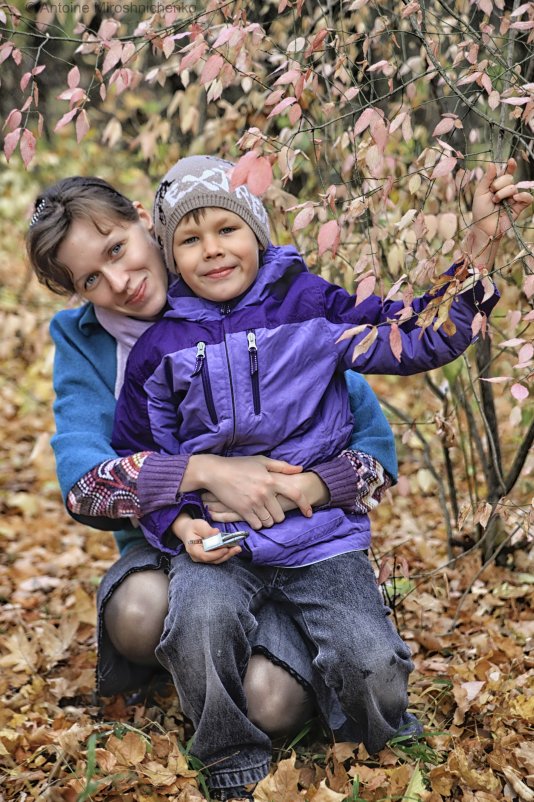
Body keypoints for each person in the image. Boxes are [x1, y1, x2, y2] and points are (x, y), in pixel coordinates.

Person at [109, 155, 528, 800]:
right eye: (189, 240)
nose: (212, 251)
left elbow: (413, 334)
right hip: (221, 540)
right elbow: (145, 458)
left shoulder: (309, 304)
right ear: (168, 252)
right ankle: (227, 751)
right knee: (196, 626)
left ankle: (375, 734)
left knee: (370, 658)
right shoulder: (158, 349)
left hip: (320, 533)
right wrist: (181, 523)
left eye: (228, 229)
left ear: (258, 230)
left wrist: (475, 247)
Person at [26, 176, 400, 743]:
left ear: (142, 219)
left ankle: (294, 653)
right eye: (92, 280)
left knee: (272, 704)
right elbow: (83, 483)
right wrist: (203, 473)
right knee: (140, 612)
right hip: (184, 548)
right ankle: (202, 669)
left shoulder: (255, 290)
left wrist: (307, 487)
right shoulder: (85, 339)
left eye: (117, 249)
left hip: (300, 532)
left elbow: (371, 439)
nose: (120, 283)